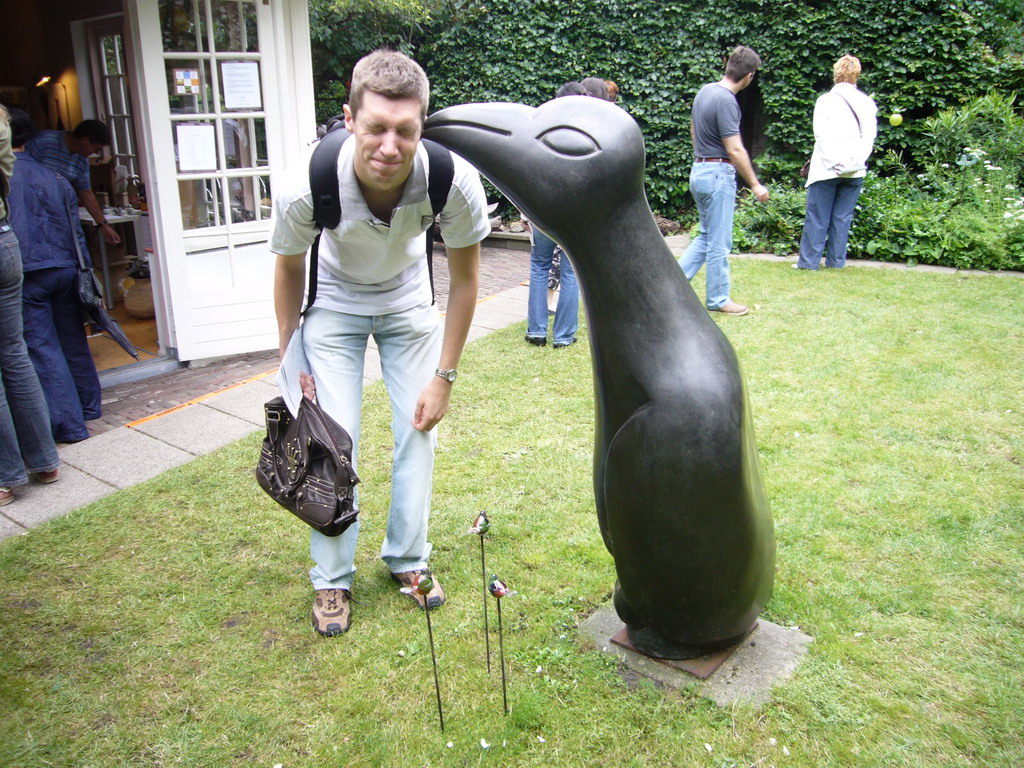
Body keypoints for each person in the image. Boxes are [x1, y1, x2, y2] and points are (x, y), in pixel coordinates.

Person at [271, 50, 490, 637]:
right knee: (331, 444)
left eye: (405, 130)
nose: (389, 146)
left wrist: (444, 377)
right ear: (349, 119)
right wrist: (292, 361)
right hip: (333, 307)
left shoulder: (451, 179)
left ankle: (408, 560)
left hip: (407, 303)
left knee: (418, 433)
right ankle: (331, 580)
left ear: (423, 124)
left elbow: (467, 281)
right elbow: (289, 271)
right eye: (375, 128)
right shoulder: (306, 183)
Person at [8, 109, 103, 443]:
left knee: (43, 347)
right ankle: (90, 407)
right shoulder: (56, 178)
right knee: (73, 339)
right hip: (64, 268)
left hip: (29, 271)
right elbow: (76, 233)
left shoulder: (4, 179)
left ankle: (69, 425)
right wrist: (85, 274)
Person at [678, 46, 770, 316]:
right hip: (718, 174)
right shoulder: (727, 100)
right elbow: (735, 149)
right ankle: (718, 298)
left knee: (705, 236)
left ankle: (673, 286)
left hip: (699, 169)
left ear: (728, 65)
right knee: (719, 241)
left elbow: (694, 130)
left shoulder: (705, 91)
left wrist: (702, 157)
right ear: (750, 76)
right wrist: (755, 184)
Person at [0, 106, 61, 506]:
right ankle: (44, 462)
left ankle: (5, 477)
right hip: (4, 240)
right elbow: (5, 172)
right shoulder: (0, 121)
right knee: (15, 354)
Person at [794, 55, 877, 270]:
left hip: (826, 169)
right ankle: (836, 263)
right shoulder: (867, 102)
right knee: (842, 218)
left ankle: (809, 263)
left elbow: (821, 135)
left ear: (835, 73)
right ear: (857, 74)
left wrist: (834, 162)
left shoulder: (825, 101)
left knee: (817, 217)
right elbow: (869, 137)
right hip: (855, 170)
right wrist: (855, 161)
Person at [525, 82, 582, 348]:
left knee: (539, 266)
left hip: (541, 208)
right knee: (571, 270)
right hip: (572, 209)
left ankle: (536, 331)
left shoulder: (539, 128)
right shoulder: (585, 132)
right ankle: (564, 336)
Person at [26, 119, 121, 246]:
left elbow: (86, 193)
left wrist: (103, 225)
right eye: (96, 148)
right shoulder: (43, 141)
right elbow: (21, 172)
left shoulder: (82, 160)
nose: (95, 153)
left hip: (60, 211)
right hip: (33, 210)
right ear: (85, 140)